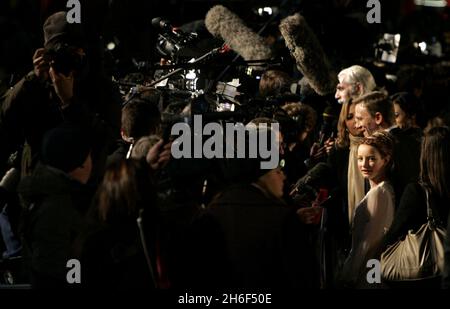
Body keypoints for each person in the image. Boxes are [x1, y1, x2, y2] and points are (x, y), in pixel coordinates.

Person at [0, 11, 121, 182]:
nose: (68, 60)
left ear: (84, 51)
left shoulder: (101, 87)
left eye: (73, 52)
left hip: (83, 186)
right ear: (46, 55)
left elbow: (109, 142)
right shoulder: (36, 83)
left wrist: (70, 102)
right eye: (59, 54)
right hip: (38, 183)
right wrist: (31, 80)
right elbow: (4, 119)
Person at [19, 125, 93, 288]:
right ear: (79, 163)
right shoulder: (59, 208)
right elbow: (62, 267)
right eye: (89, 156)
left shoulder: (51, 193)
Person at [383, 126, 450, 288]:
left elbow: (393, 235)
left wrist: (372, 278)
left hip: (424, 276)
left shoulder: (416, 191)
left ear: (425, 155)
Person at [341, 131, 395, 288]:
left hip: (369, 271)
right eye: (360, 159)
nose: (363, 165)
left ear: (385, 159)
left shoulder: (380, 193)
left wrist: (351, 274)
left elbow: (370, 243)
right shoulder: (381, 190)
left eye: (371, 159)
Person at [353, 91, 421, 207]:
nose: (356, 126)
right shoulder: (414, 143)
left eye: (360, 119)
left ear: (378, 118)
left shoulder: (389, 147)